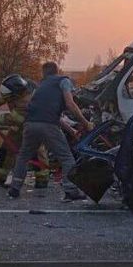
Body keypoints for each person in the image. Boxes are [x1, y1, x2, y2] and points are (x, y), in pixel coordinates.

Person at [7, 62, 94, 201]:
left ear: (44, 73)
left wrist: (71, 130)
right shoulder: (64, 81)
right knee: (67, 158)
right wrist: (86, 123)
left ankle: (14, 188)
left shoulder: (40, 86)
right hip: (48, 125)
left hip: (30, 124)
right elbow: (70, 104)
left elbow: (47, 112)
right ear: (57, 70)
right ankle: (70, 191)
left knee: (23, 156)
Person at [0, 74, 49, 189]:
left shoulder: (27, 99)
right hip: (19, 126)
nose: (5, 97)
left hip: (34, 125)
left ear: (17, 93)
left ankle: (42, 179)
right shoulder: (12, 90)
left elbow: (15, 118)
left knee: (36, 152)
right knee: (6, 150)